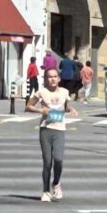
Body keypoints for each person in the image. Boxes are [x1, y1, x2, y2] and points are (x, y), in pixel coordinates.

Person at [25, 68, 77, 202]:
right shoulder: (41, 92)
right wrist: (40, 111)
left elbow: (64, 107)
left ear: (59, 79)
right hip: (46, 128)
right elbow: (28, 106)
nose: (52, 79)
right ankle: (46, 191)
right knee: (47, 161)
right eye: (49, 77)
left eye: (55, 76)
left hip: (60, 129)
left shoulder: (64, 92)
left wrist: (70, 109)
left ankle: (56, 183)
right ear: (46, 79)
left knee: (58, 159)